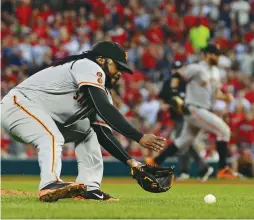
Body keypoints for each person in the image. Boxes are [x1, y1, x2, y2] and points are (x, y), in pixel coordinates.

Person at [1, 41, 166, 202]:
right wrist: (139, 136)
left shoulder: (102, 92)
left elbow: (103, 133)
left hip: (43, 117)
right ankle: (49, 183)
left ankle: (89, 188)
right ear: (102, 60)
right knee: (52, 136)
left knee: (89, 132)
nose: (119, 73)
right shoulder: (87, 65)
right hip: (17, 107)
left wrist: (132, 162)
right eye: (117, 66)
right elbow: (104, 108)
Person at [150, 44, 235, 179]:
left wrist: (225, 97)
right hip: (195, 108)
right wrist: (173, 93)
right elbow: (178, 75)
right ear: (207, 54)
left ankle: (154, 162)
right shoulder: (197, 67)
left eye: (219, 54)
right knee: (224, 131)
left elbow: (215, 93)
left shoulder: (215, 72)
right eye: (216, 54)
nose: (218, 57)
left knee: (183, 141)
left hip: (202, 109)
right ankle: (223, 168)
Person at [147, 61, 213, 181]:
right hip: (177, 118)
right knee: (186, 142)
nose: (177, 71)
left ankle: (187, 170)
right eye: (175, 68)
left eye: (179, 68)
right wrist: (165, 105)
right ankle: (200, 168)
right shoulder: (168, 83)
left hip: (188, 116)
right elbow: (161, 99)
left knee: (183, 142)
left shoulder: (188, 82)